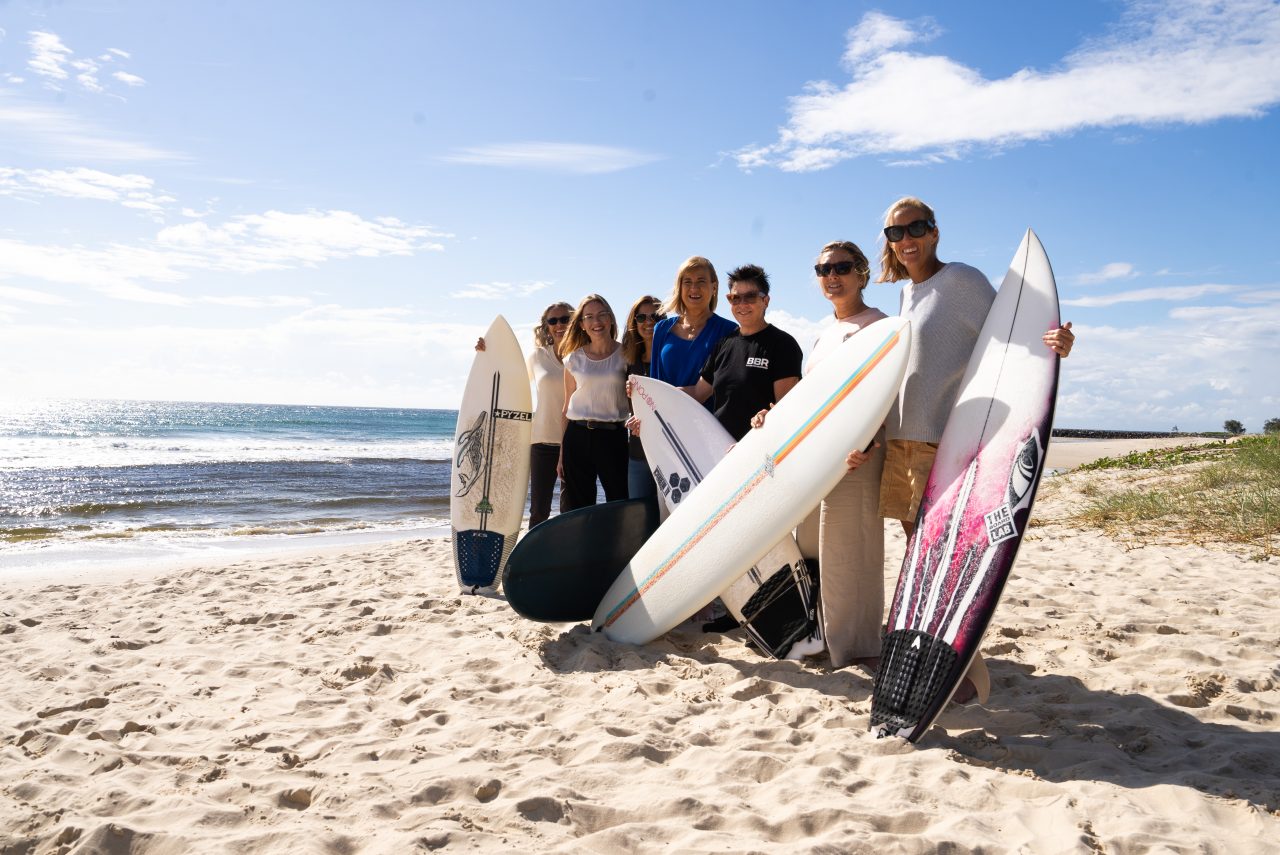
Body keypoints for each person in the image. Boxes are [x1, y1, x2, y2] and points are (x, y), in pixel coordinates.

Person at [852, 195, 1076, 702]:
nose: (906, 240)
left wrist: (1056, 342)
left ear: (934, 231)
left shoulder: (961, 281)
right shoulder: (909, 295)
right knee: (919, 560)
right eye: (895, 233)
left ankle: (967, 673)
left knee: (943, 557)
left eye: (916, 229)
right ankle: (948, 660)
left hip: (944, 443)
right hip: (903, 442)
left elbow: (1013, 335)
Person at [756, 242, 888, 669]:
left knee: (851, 551)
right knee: (813, 548)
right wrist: (774, 417)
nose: (832, 275)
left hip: (856, 456)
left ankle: (857, 645)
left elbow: (885, 393)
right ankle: (821, 637)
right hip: (816, 458)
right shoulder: (825, 333)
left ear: (862, 273)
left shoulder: (880, 326)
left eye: (842, 267)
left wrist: (868, 442)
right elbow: (812, 400)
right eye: (823, 269)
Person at [474, 301, 573, 529]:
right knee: (539, 510)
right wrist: (487, 353)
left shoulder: (581, 356)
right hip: (542, 440)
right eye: (553, 321)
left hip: (574, 440)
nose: (559, 325)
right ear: (546, 327)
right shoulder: (537, 357)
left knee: (571, 508)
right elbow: (509, 378)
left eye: (565, 319)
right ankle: (534, 560)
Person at [686, 265, 802, 441]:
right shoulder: (724, 344)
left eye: (750, 297)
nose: (742, 304)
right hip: (720, 451)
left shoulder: (783, 344)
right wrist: (647, 391)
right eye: (735, 298)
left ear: (766, 301)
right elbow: (697, 393)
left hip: (760, 454)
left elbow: (786, 408)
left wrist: (768, 417)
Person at [557, 294, 629, 511]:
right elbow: (567, 405)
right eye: (589, 317)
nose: (596, 322)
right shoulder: (573, 359)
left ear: (610, 319)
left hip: (613, 437)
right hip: (577, 437)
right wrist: (561, 454)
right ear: (582, 324)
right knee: (578, 507)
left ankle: (617, 545)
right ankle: (583, 545)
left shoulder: (626, 354)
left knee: (618, 501)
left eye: (601, 315)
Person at [649, 256, 738, 392]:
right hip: (664, 412)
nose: (694, 288)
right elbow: (653, 383)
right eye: (687, 282)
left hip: (709, 414)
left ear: (714, 287)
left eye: (701, 281)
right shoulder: (661, 329)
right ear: (679, 287)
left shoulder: (730, 331)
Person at [620, 295, 664, 498]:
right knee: (639, 517)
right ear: (634, 322)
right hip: (638, 452)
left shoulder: (670, 357)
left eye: (654, 316)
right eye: (641, 317)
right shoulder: (630, 362)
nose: (648, 322)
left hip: (668, 452)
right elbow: (632, 408)